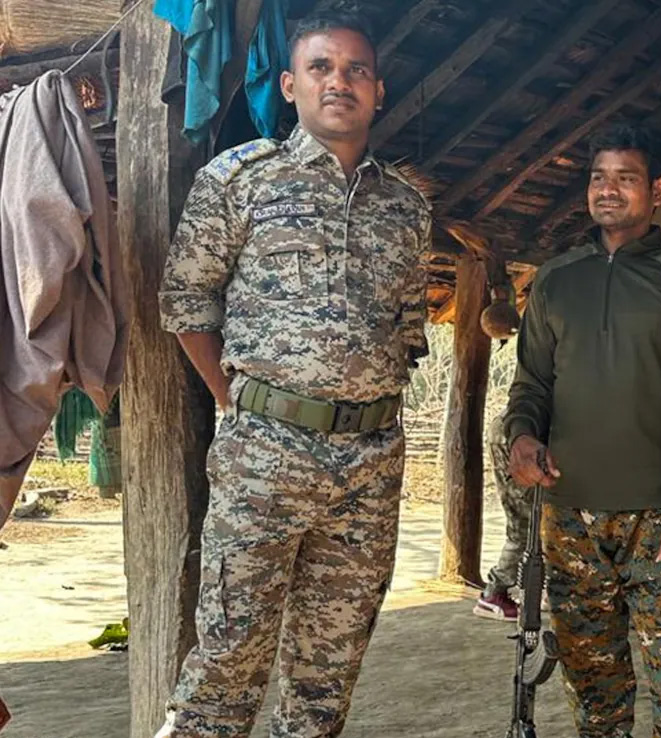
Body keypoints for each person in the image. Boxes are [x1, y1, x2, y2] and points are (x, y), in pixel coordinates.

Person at [154, 13, 430, 737]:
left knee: (328, 672)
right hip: (264, 456)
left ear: (378, 92)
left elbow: (406, 332)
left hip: (370, 465)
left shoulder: (405, 208)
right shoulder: (239, 181)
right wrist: (234, 400)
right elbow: (186, 303)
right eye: (321, 67)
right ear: (289, 84)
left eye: (356, 70)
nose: (340, 81)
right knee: (228, 658)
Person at [504, 122, 661, 738]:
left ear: (657, 191)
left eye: (625, 178)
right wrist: (521, 435)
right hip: (568, 517)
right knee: (594, 692)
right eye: (598, 177)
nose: (607, 190)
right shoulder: (555, 279)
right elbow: (531, 384)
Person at [473, 412, 529, 621]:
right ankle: (494, 594)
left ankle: (547, 589)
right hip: (518, 432)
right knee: (525, 523)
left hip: (521, 430)